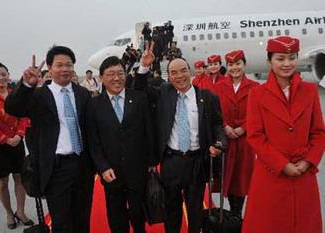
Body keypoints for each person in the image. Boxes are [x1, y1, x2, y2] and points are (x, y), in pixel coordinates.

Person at [135, 43, 226, 233]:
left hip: (197, 161)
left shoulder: (207, 97)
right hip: (171, 161)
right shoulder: (163, 94)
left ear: (190, 71)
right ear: (169, 76)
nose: (179, 76)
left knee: (195, 210)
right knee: (172, 209)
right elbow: (140, 89)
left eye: (183, 71)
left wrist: (219, 143)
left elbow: (218, 124)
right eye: (174, 73)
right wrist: (144, 66)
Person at [5, 46, 95, 233]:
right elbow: (13, 108)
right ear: (50, 68)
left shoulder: (83, 94)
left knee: (82, 220)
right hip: (56, 168)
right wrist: (27, 85)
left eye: (69, 65)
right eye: (59, 65)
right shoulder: (38, 95)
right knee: (61, 223)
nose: (65, 69)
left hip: (82, 166)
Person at [242, 36, 325, 233]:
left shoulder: (309, 91)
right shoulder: (257, 94)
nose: (287, 64)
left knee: (304, 224)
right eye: (280, 58)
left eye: (291, 57)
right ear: (269, 61)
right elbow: (255, 135)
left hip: (303, 174)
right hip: (271, 175)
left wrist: (308, 161)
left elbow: (319, 132)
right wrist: (282, 164)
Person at [87, 56, 156, 233]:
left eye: (120, 73)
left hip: (137, 169)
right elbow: (93, 141)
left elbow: (149, 130)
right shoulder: (93, 105)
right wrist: (102, 167)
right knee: (116, 216)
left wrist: (151, 161)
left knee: (138, 213)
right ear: (101, 77)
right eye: (110, 74)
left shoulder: (139, 98)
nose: (116, 78)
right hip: (111, 172)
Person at [0, 62, 32, 229]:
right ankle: (9, 213)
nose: (1, 78)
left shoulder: (15, 93)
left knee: (20, 178)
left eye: (4, 74)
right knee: (2, 182)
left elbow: (24, 116)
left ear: (9, 75)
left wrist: (19, 135)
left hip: (17, 141)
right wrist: (4, 138)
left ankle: (21, 211)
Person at [214, 50, 259, 217]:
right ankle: (233, 216)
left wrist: (244, 128)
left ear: (244, 64)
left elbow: (258, 113)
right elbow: (215, 111)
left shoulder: (255, 87)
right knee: (227, 178)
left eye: (238, 64)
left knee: (241, 179)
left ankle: (236, 215)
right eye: (231, 64)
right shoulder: (219, 87)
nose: (235, 68)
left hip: (245, 142)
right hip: (225, 140)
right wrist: (225, 126)